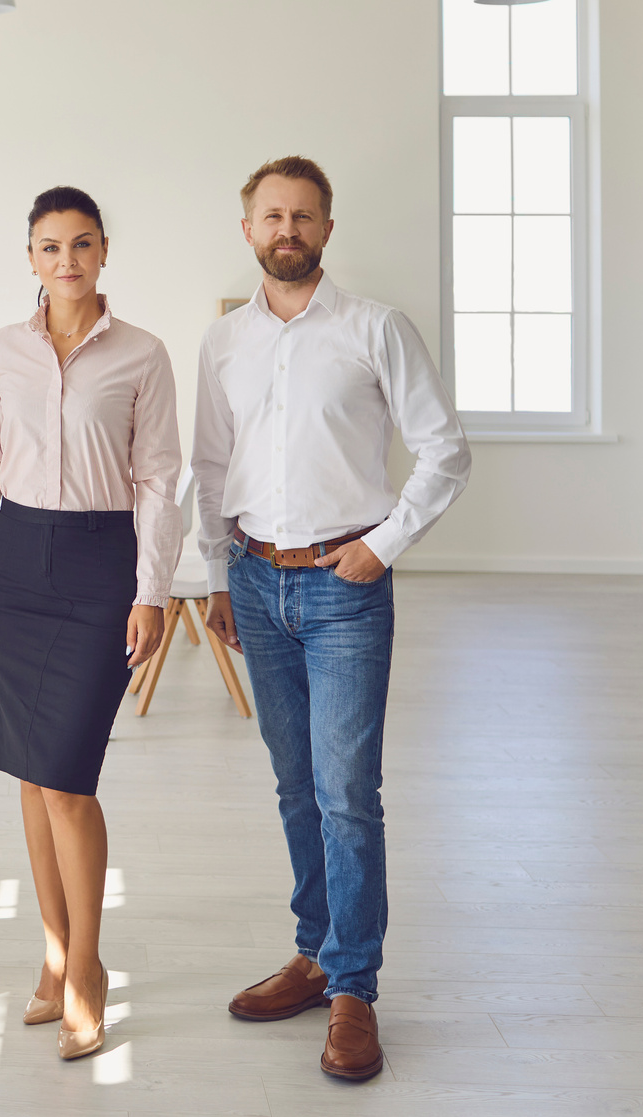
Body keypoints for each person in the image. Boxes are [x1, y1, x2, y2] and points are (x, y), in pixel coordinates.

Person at [194, 156, 469, 1081]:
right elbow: (207, 466)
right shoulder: (224, 342)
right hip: (256, 580)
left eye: (304, 216)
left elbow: (445, 451)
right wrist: (218, 576)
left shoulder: (374, 328)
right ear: (248, 229)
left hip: (345, 584)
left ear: (326, 229)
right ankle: (313, 953)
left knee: (348, 793)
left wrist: (383, 544)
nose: (288, 230)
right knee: (293, 784)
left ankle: (354, 986)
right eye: (272, 216)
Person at [0, 186, 180, 1061]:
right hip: (16, 562)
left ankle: (87, 966)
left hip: (98, 565)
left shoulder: (143, 355)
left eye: (82, 244)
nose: (68, 260)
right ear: (32, 258)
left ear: (104, 251)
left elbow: (158, 478)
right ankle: (53, 955)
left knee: (69, 778)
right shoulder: (3, 352)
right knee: (30, 771)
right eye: (51, 247)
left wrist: (151, 590)